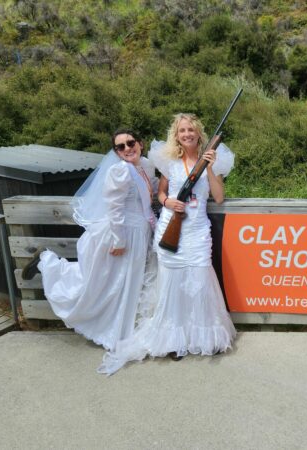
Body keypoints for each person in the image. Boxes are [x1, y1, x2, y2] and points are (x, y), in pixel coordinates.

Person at [98, 113, 236, 375]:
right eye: (182, 130)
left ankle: (206, 337)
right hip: (172, 228)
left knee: (200, 280)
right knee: (172, 284)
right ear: (177, 135)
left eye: (191, 130)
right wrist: (167, 202)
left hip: (197, 231)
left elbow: (218, 198)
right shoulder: (169, 162)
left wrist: (208, 167)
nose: (187, 134)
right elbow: (160, 193)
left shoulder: (212, 162)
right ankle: (173, 340)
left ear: (198, 133)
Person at [22, 129, 158, 351]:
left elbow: (150, 192)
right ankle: (46, 262)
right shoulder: (120, 171)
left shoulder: (145, 166)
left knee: (122, 282)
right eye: (120, 147)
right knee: (101, 283)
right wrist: (119, 240)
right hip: (121, 233)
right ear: (115, 152)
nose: (127, 149)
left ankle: (120, 326)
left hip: (141, 232)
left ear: (140, 143)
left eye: (130, 143)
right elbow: (114, 208)